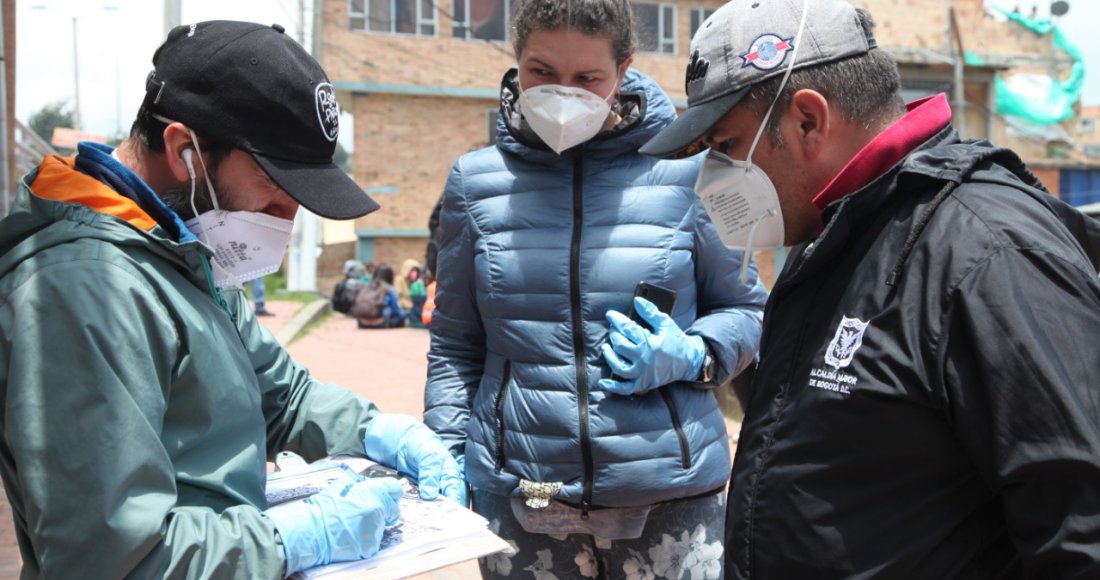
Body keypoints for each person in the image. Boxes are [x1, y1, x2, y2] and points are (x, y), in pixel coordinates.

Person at [640, 0, 1100, 577]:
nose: (711, 175)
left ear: (808, 121)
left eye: (726, 146)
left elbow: (1081, 529)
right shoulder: (833, 235)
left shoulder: (986, 254)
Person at [0, 21, 465, 578]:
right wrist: (293, 537)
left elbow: (282, 397)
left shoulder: (188, 250)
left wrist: (377, 430)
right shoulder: (82, 289)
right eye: (273, 200)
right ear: (185, 152)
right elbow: (108, 558)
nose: (286, 225)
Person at [424, 0, 768, 577]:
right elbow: (456, 344)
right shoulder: (475, 183)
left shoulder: (701, 172)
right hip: (525, 497)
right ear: (516, 61)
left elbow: (747, 308)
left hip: (669, 496)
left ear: (625, 69)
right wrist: (447, 455)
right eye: (541, 72)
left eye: (587, 78)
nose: (564, 94)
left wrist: (695, 354)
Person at [355, 263, 407, 329]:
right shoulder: (389, 289)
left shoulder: (368, 287)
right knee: (403, 315)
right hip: (381, 323)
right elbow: (395, 311)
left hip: (362, 322)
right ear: (390, 276)